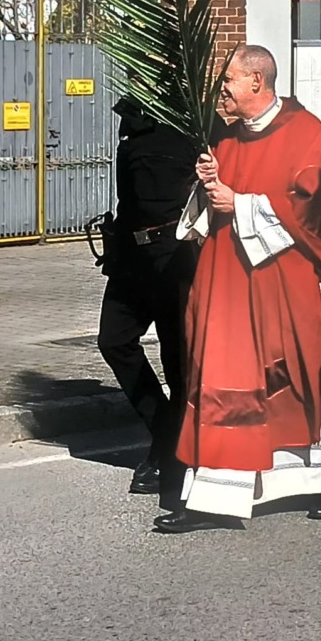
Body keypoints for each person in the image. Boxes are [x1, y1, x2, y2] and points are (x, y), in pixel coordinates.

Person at [161, 45, 321, 533]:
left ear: (256, 82)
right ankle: (216, 494)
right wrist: (208, 186)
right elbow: (213, 209)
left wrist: (241, 204)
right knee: (222, 378)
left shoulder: (304, 133)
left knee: (310, 382)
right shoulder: (229, 138)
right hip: (229, 287)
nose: (221, 91)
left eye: (228, 81)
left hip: (289, 288)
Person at [95, 98, 199, 494]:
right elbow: (128, 198)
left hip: (176, 253)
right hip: (133, 255)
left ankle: (171, 453)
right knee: (114, 340)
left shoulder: (192, 120)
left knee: (177, 361)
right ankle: (165, 430)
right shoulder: (135, 125)